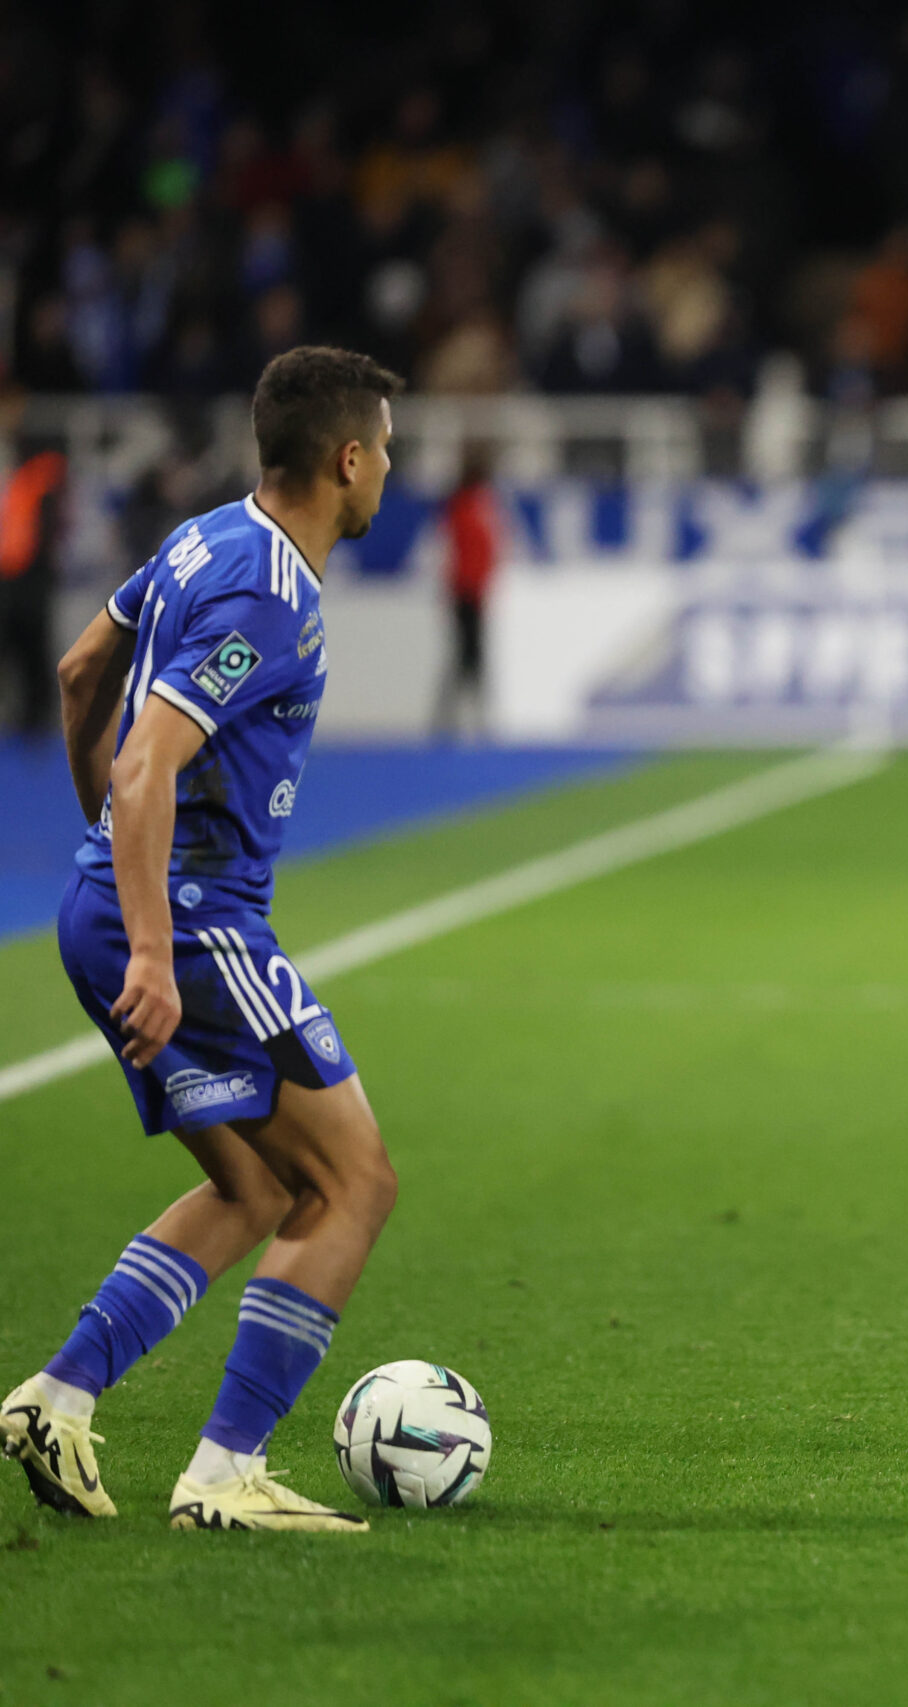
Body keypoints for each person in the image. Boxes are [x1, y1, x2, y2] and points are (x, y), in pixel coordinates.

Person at [3, 347, 405, 1533]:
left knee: (255, 1184)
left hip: (118, 908)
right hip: (190, 927)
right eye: (385, 449)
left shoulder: (201, 539)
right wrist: (150, 941)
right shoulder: (267, 596)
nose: (390, 468)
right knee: (353, 1182)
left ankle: (57, 1398)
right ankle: (226, 1472)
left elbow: (82, 671)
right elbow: (147, 759)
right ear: (346, 460)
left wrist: (110, 856)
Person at [0, 433, 67, 738]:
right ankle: (29, 717)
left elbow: (47, 530)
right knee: (22, 650)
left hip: (29, 578)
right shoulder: (26, 479)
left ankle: (36, 720)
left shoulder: (43, 475)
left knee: (32, 649)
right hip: (15, 576)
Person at [432, 442, 499, 737]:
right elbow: (464, 551)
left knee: (469, 656)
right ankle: (459, 718)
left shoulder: (474, 505)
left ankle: (462, 717)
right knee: (467, 656)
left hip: (471, 591)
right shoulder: (465, 506)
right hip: (466, 592)